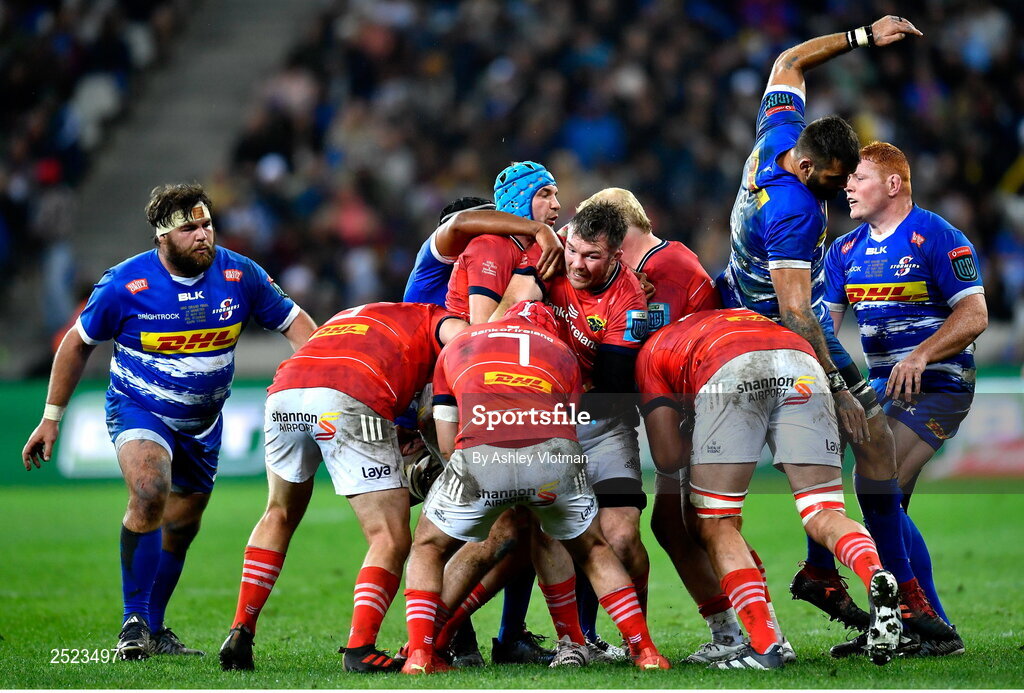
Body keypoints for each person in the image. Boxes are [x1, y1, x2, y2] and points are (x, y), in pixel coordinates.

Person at [713, 15, 948, 638]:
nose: (845, 188)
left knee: (860, 452)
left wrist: (862, 37)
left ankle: (828, 572)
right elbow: (796, 314)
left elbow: (789, 59)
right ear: (810, 164)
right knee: (870, 436)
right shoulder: (794, 212)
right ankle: (903, 597)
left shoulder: (780, 134)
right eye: (836, 178)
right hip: (769, 338)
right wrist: (843, 386)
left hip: (738, 304)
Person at [21, 183, 316, 660]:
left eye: (207, 225)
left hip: (203, 422)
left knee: (181, 526)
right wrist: (51, 417)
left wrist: (319, 375)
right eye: (189, 228)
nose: (203, 236)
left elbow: (297, 323)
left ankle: (154, 630)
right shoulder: (124, 284)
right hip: (139, 408)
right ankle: (131, 622)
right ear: (163, 237)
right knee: (149, 489)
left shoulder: (241, 274)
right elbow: (76, 343)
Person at [401, 301, 669, 674]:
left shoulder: (461, 342)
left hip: (482, 452)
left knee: (428, 546)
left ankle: (419, 655)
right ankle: (646, 652)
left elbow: (446, 438)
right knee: (593, 549)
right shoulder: (562, 352)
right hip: (554, 456)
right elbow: (568, 426)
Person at [638, 307, 903, 669]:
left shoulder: (650, 351)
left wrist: (691, 426)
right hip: (800, 360)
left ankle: (766, 647)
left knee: (717, 523)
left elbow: (667, 457)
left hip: (730, 367)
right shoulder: (723, 315)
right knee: (822, 511)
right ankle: (875, 572)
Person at [217, 301, 466, 672]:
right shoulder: (435, 317)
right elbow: (465, 343)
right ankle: (361, 648)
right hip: (348, 393)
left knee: (279, 512)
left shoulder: (355, 314)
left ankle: (241, 628)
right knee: (390, 538)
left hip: (285, 392)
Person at [824, 142, 987, 657]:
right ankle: (899, 624)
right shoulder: (843, 251)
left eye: (860, 177)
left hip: (939, 383)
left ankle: (927, 624)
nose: (847, 185)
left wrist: (919, 355)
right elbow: (822, 326)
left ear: (894, 185)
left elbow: (974, 315)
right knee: (886, 506)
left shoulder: (938, 237)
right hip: (880, 383)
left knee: (876, 482)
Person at [577, 187, 753, 663]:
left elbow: (672, 346)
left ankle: (753, 634)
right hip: (684, 408)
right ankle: (732, 632)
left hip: (699, 408)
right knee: (674, 525)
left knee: (708, 521)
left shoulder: (669, 267)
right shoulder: (632, 273)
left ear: (616, 232)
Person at [495, 200, 650, 660]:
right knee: (539, 531)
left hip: (604, 424)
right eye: (575, 251)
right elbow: (504, 320)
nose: (578, 265)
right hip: (546, 420)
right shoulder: (550, 253)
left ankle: (634, 637)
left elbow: (615, 384)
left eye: (592, 257)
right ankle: (565, 640)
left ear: (617, 257)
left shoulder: (631, 300)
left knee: (620, 536)